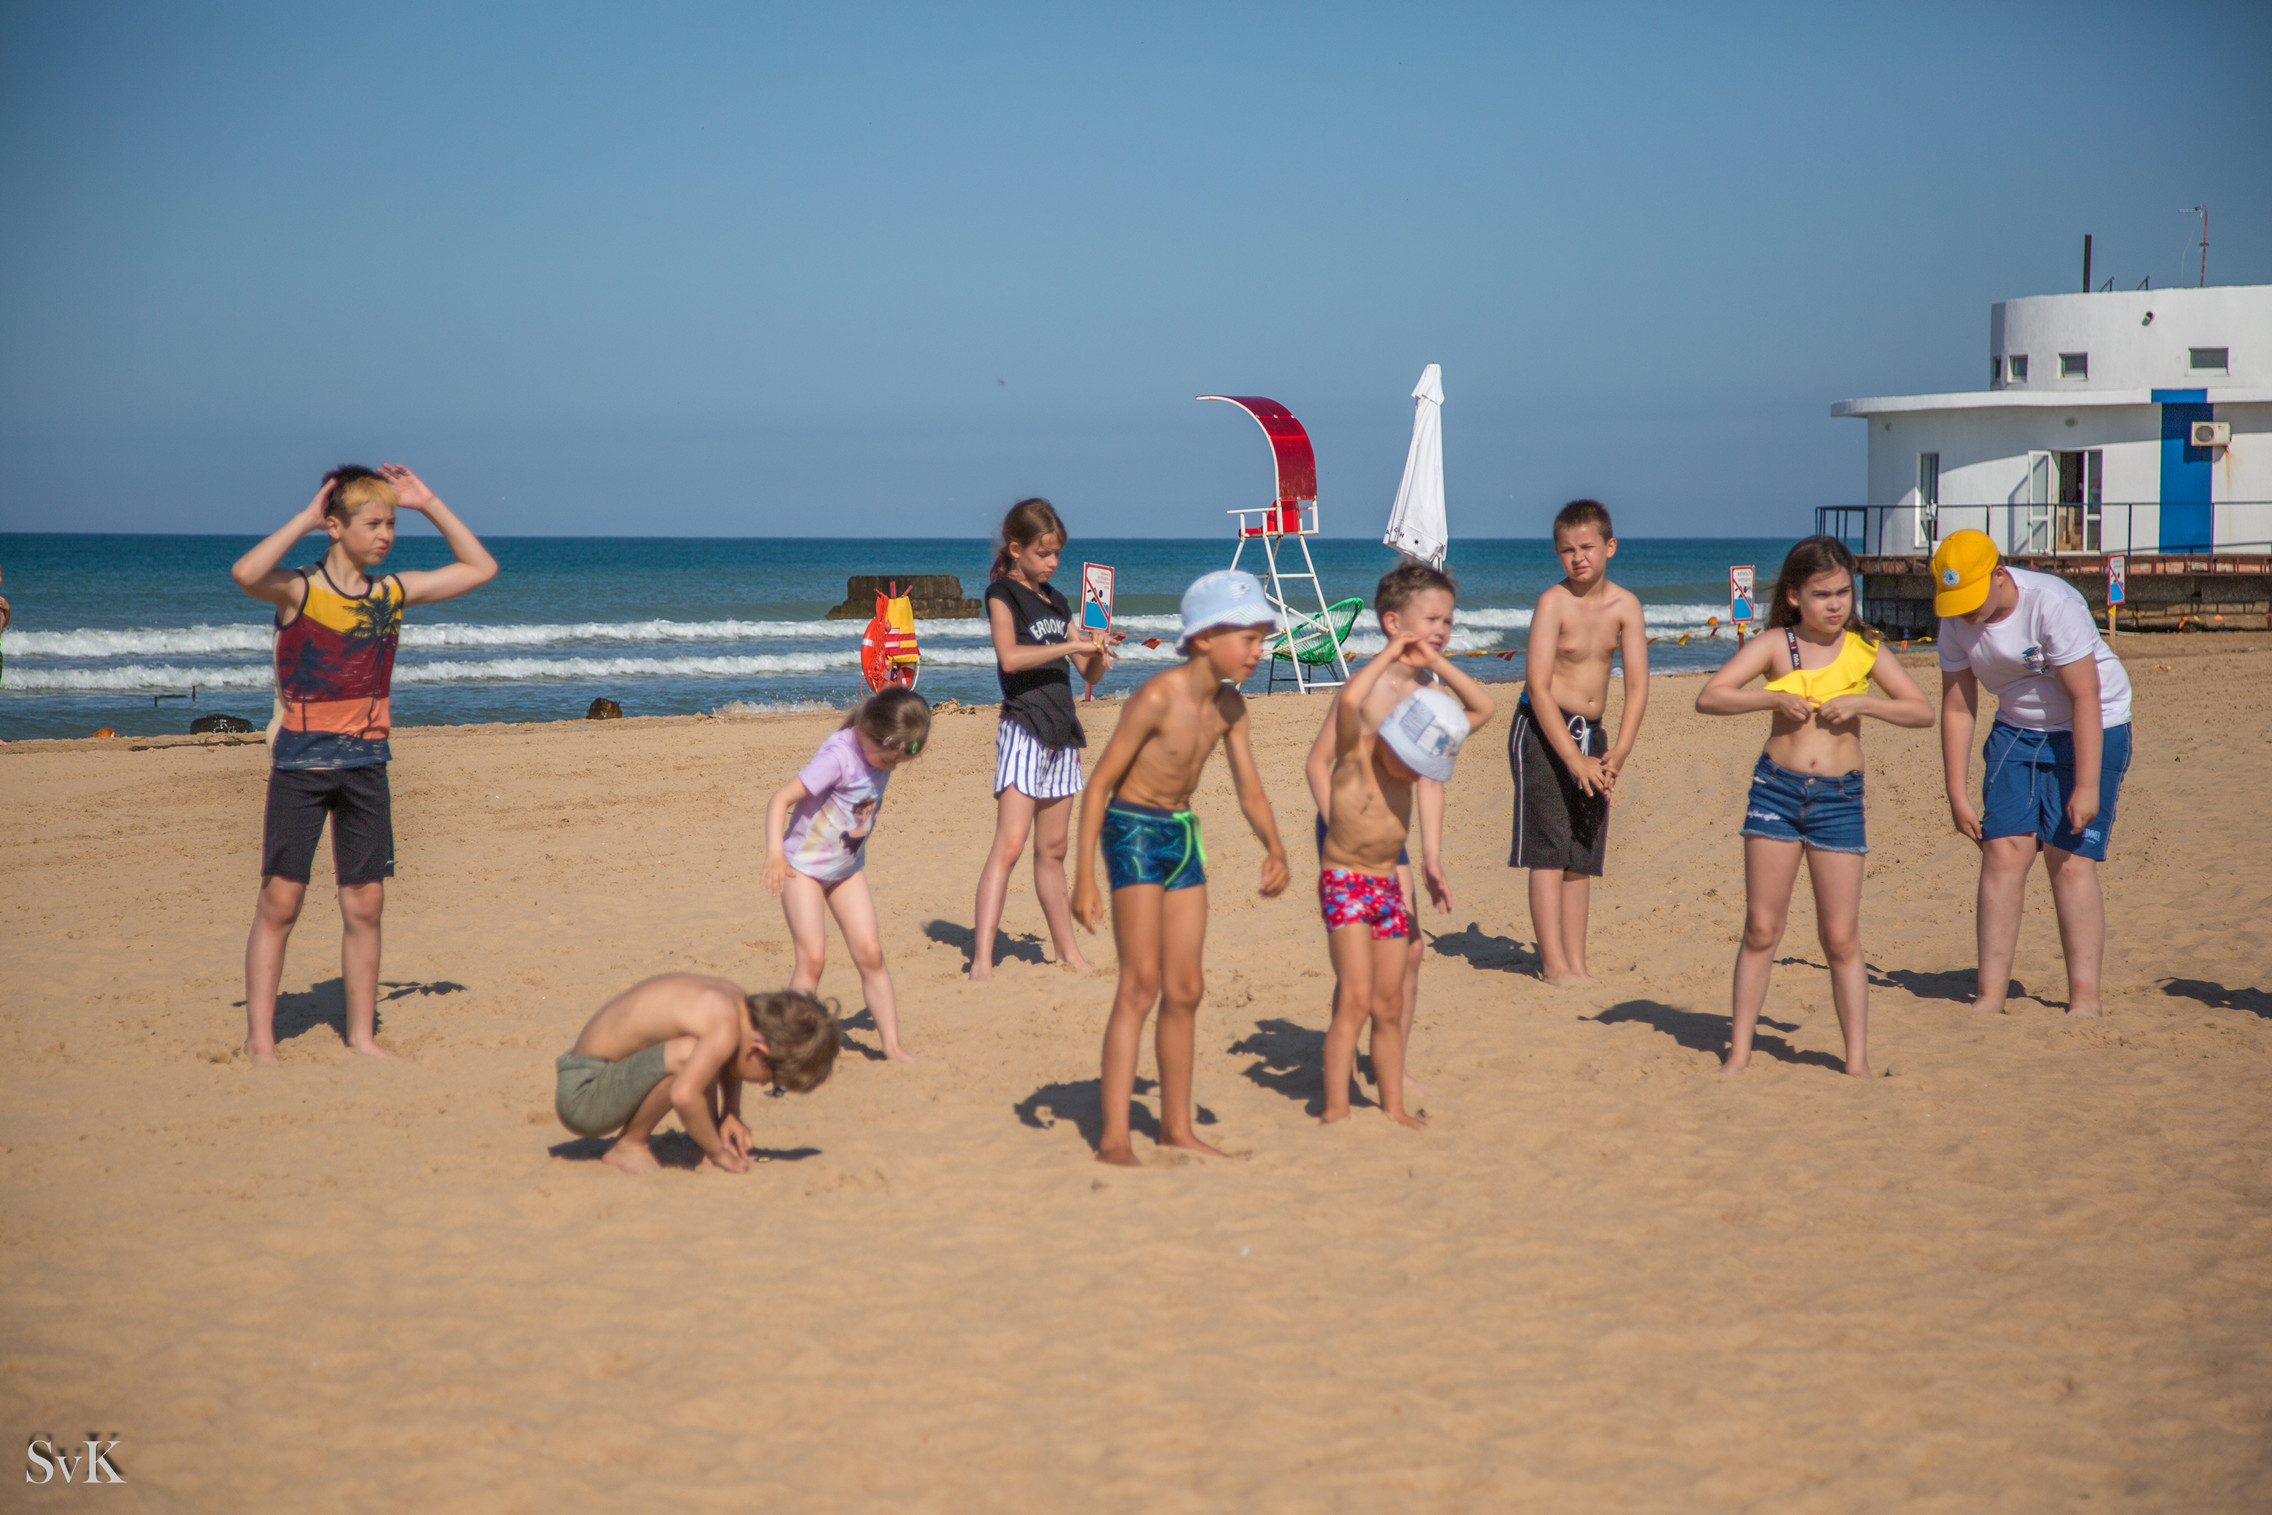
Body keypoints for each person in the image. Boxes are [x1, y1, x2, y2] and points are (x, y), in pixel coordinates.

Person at [230, 465, 497, 1065]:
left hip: (367, 764)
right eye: (373, 523)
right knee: (281, 901)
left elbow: (481, 568)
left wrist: (430, 502)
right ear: (335, 525)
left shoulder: (390, 594)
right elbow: (246, 573)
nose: (386, 534)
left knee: (365, 904)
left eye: (392, 523)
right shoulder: (299, 590)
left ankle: (362, 1037)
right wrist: (302, 519)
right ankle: (260, 1039)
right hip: (300, 765)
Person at [1071, 569, 1290, 1167]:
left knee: (1187, 988)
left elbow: (1250, 789)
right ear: (1203, 638)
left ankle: (1175, 1127)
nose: (1257, 651)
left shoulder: (1230, 705)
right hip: (1132, 830)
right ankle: (1116, 1135)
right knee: (1140, 983)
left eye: (1261, 638)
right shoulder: (1158, 697)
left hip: (1182, 835)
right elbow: (1100, 787)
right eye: (1247, 638)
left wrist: (1274, 846)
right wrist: (1085, 877)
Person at [1695, 535, 1933, 1076]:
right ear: (1796, 596)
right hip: (1775, 792)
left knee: (1841, 938)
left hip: (1839, 801)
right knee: (1761, 929)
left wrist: (1865, 705)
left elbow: (1921, 712)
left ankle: (1856, 1062)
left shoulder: (1866, 647)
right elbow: (1710, 697)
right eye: (1822, 594)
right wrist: (1772, 697)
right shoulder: (1777, 644)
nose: (1835, 605)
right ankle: (1739, 1053)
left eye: (1843, 593)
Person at [1932, 529, 2134, 1019]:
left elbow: (2084, 695)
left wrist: (2086, 785)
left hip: (2093, 722)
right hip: (2017, 729)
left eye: (1971, 597)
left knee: (2068, 857)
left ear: (1999, 575)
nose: (1964, 611)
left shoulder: (2051, 603)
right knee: (2003, 851)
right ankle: (1990, 997)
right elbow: (1959, 706)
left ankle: (2085, 998)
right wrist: (1956, 793)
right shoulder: (1955, 620)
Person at [1318, 632, 1495, 1126]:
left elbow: (1482, 707)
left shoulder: (1412, 769)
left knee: (1390, 1001)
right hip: (1346, 881)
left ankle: (1393, 1104)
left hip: (1387, 888)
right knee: (1355, 997)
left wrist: (1436, 661)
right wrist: (1391, 654)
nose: (1417, 775)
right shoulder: (1358, 748)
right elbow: (1350, 696)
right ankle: (1336, 1105)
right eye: (1413, 762)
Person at [1303, 562, 1458, 1101]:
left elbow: (1431, 782)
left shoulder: (1430, 688)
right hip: (1345, 837)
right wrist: (1336, 824)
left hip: (1394, 843)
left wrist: (1432, 856)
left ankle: (1393, 1063)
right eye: (1432, 618)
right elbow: (1317, 763)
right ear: (1394, 622)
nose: (1442, 629)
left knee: (1411, 950)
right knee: (1358, 965)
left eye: (1448, 621)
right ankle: (1343, 1069)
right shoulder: (1363, 687)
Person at [969, 499, 1114, 979]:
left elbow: (1085, 669)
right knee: (1009, 846)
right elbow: (1009, 658)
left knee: (1053, 852)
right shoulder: (1001, 594)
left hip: (1062, 733)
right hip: (1024, 726)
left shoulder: (1057, 600)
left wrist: (1095, 649)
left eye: (1057, 554)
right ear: (1017, 549)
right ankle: (983, 961)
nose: (1053, 562)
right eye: (1044, 552)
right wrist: (1069, 644)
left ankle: (1068, 953)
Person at [1512, 500, 1650, 986]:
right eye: (1567, 550)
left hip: (1594, 735)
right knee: (1549, 849)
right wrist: (1571, 759)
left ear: (1609, 547)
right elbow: (1538, 685)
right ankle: (1553, 965)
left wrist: (1621, 750)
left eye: (1588, 547)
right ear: (1557, 554)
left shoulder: (1625, 606)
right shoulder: (1553, 603)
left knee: (1582, 851)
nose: (1579, 558)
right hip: (1543, 731)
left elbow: (1637, 687)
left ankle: (1577, 962)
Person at [763, 686, 932, 1062]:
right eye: (889, 760)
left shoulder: (884, 748)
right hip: (801, 869)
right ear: (870, 732)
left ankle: (892, 1046)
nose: (890, 767)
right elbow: (780, 799)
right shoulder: (839, 757)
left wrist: (900, 752)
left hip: (845, 869)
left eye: (898, 762)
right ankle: (786, 1046)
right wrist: (775, 854)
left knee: (871, 954)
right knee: (813, 959)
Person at [555, 974, 840, 1176]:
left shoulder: (735, 1002)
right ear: (758, 1052)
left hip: (599, 1073)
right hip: (584, 1095)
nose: (765, 1083)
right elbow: (683, 1094)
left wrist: (730, 1111)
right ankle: (630, 1144)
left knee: (704, 1053)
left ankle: (700, 1141)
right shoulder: (725, 1024)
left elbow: (728, 1057)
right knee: (690, 1055)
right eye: (773, 1082)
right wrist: (718, 1153)